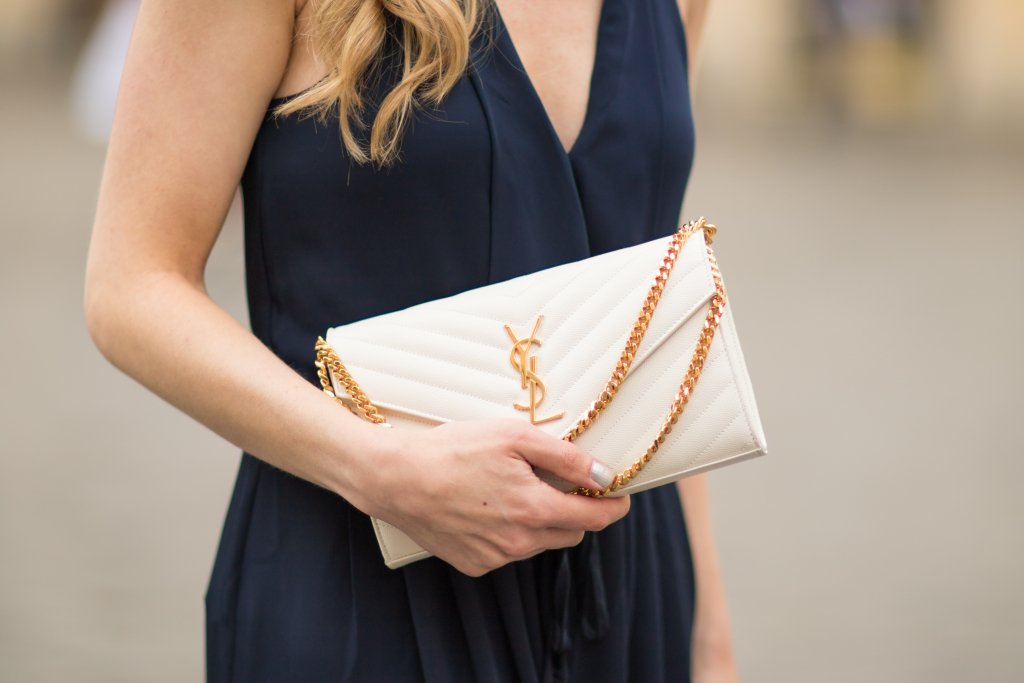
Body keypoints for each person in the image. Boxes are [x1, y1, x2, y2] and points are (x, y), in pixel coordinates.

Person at [84, 0, 739, 680]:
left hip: (633, 596)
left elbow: (654, 316)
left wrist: (710, 639)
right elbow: (131, 285)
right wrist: (375, 464)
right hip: (364, 588)